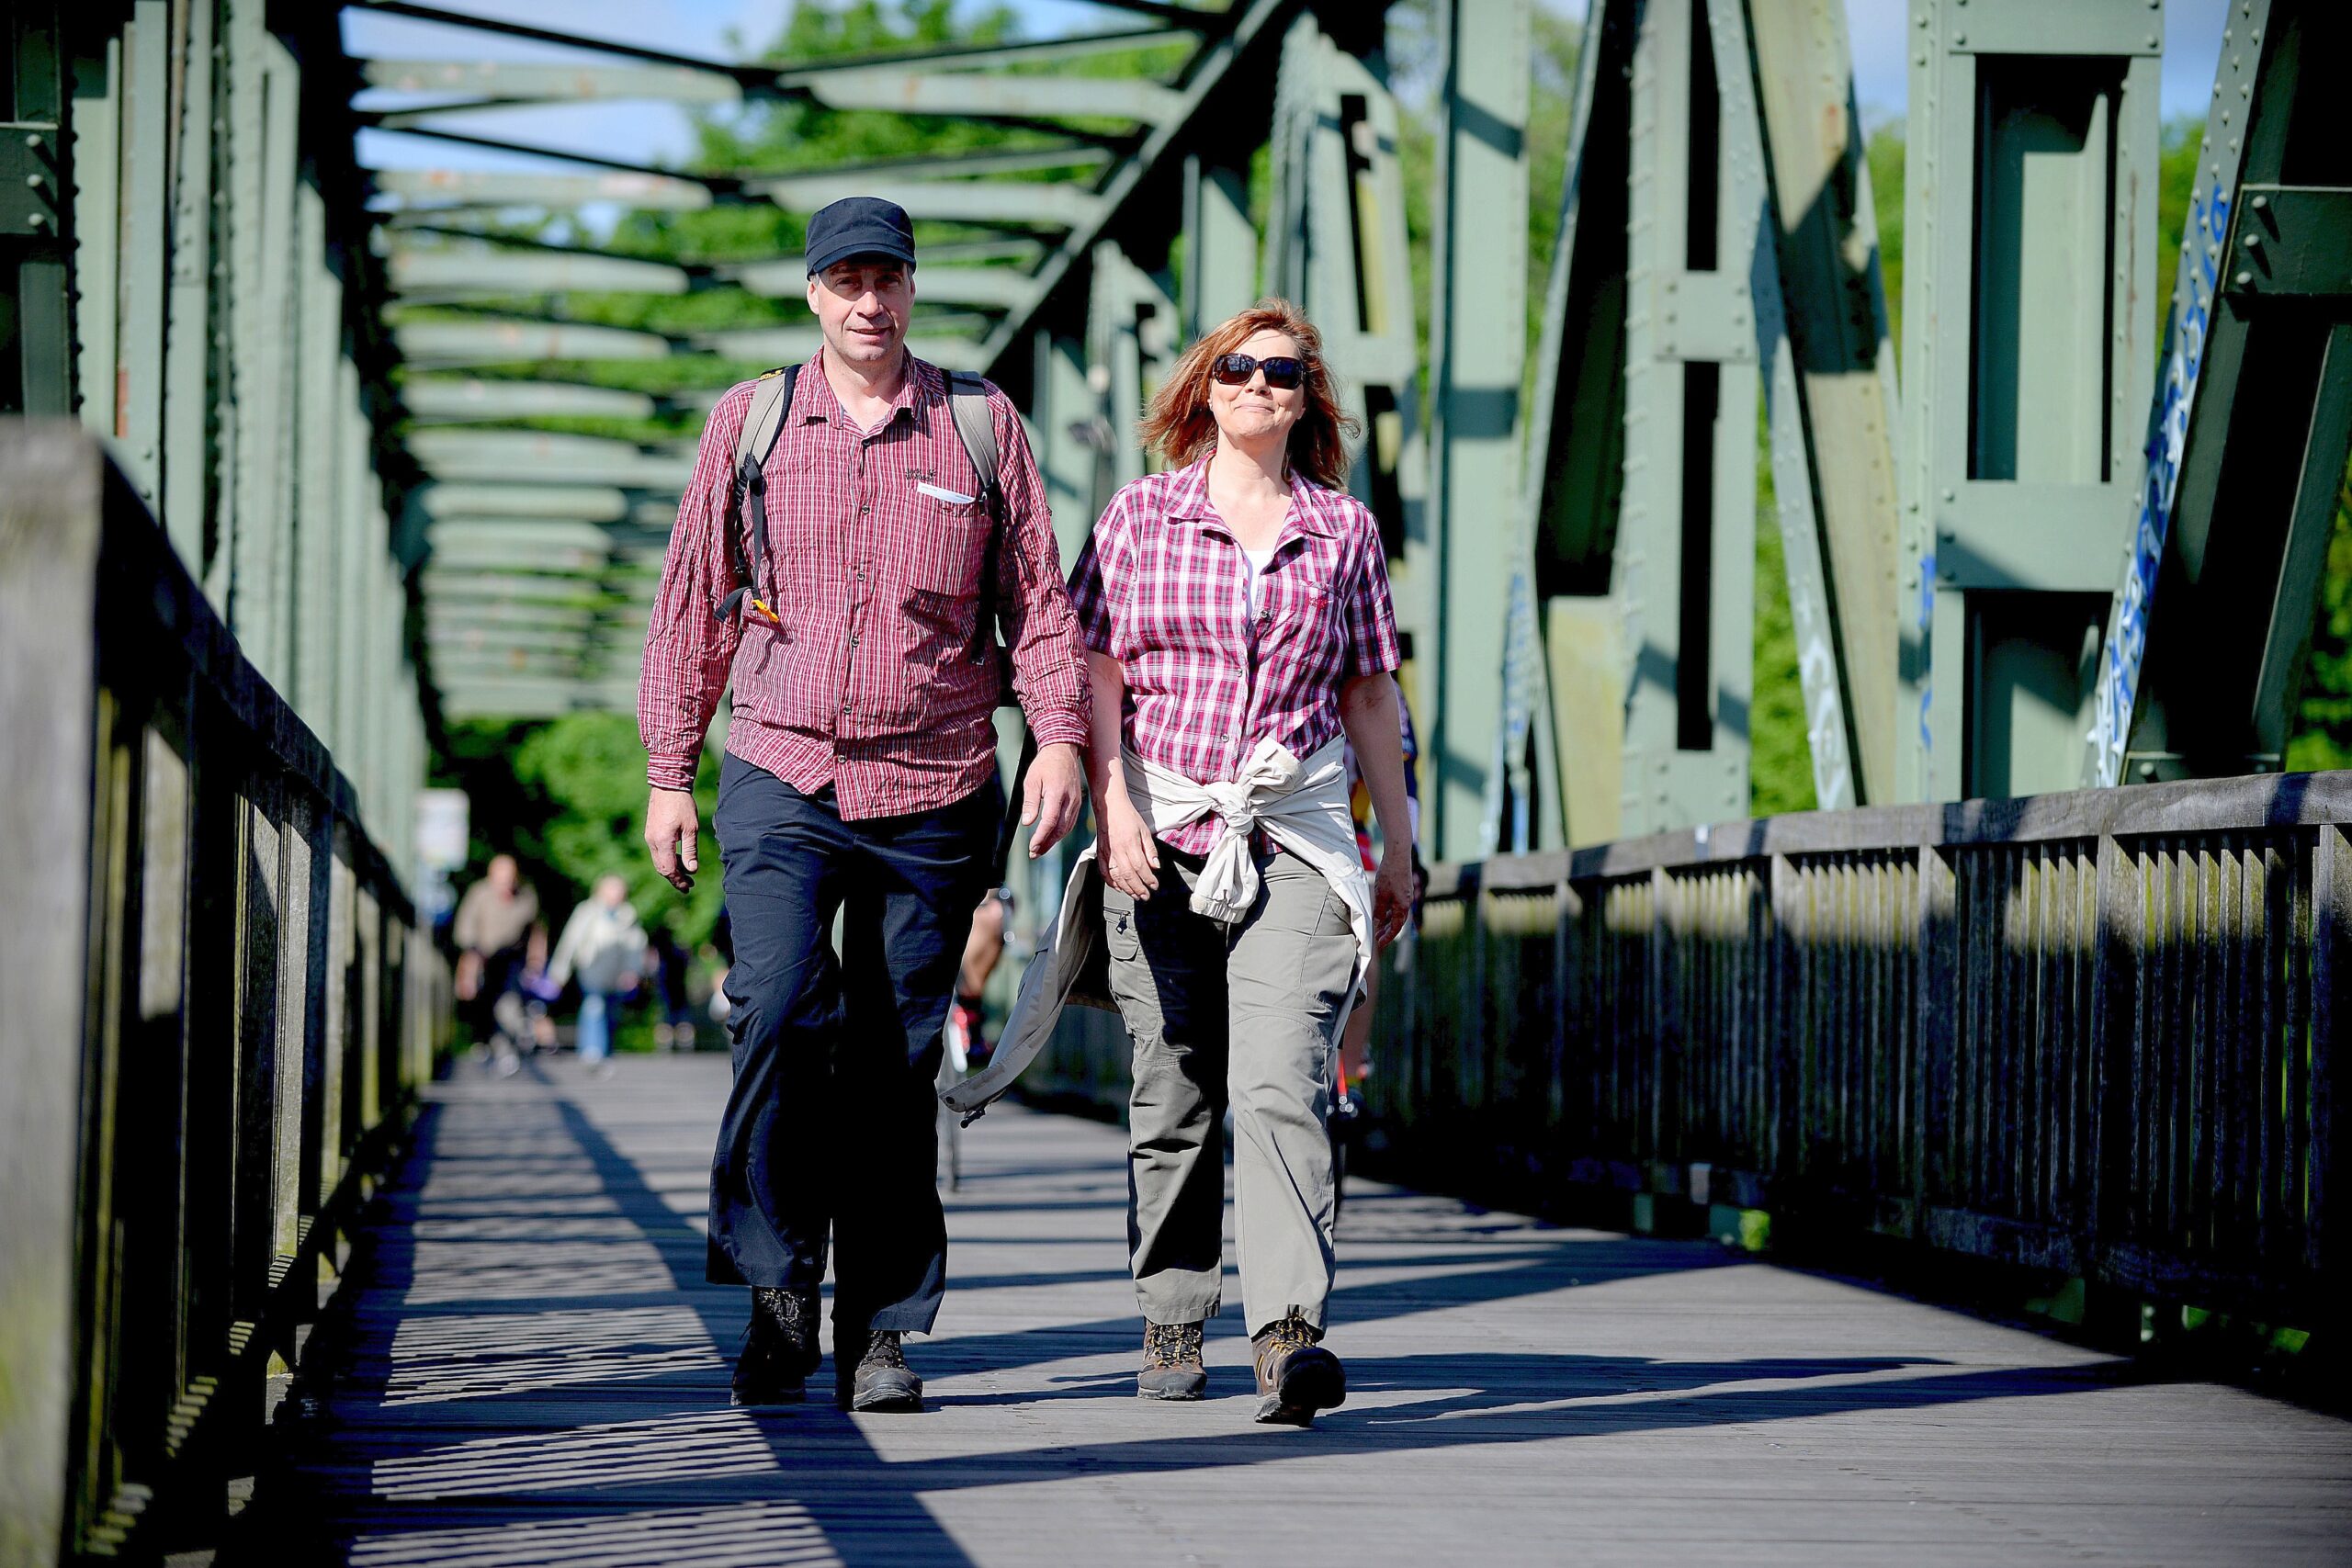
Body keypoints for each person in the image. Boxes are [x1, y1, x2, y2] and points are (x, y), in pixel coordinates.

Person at [638, 196, 1091, 1413]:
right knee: (778, 1012)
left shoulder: (982, 426)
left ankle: (880, 1326)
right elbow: (695, 601)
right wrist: (667, 772)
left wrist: (1057, 737)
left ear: (910, 286)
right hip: (782, 766)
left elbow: (1041, 607)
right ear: (812, 294)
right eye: (843, 280)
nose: (867, 301)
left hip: (938, 779)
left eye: (884, 277)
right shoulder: (753, 420)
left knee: (895, 1058)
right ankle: (777, 1290)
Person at [1069, 299, 1413, 1425]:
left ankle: (1286, 1336)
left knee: (1280, 1084)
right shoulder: (1137, 518)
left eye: (1284, 372)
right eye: (1238, 368)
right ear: (1203, 387)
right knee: (1172, 1087)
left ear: (1308, 397)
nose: (1260, 385)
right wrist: (1110, 805)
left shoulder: (1343, 532)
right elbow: (1094, 674)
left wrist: (1398, 845)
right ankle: (1174, 1311)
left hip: (1298, 832)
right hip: (1159, 830)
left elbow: (1369, 691)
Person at [548, 874, 647, 1071]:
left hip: (616, 976)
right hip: (592, 972)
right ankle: (592, 1051)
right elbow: (571, 941)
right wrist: (559, 972)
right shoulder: (587, 912)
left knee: (611, 1012)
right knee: (594, 1007)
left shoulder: (627, 915)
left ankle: (606, 1051)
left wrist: (633, 972)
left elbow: (635, 946)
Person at [450, 854, 539, 1053]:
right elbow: (465, 928)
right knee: (482, 1000)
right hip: (482, 956)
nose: (506, 879)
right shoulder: (479, 893)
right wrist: (471, 959)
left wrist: (535, 958)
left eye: (510, 874)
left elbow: (535, 930)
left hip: (513, 958)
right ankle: (485, 1040)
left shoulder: (526, 896)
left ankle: (508, 1044)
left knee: (510, 999)